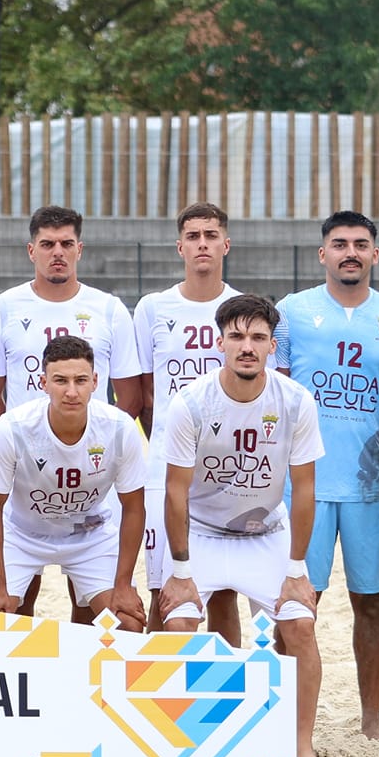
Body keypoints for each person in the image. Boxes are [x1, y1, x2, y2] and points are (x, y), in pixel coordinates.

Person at [157, 294, 326, 757]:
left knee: (300, 627)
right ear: (219, 342)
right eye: (237, 336)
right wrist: (182, 571)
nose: (246, 346)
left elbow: (305, 489)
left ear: (273, 346)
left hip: (265, 535)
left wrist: (296, 570)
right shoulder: (190, 402)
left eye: (257, 337)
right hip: (204, 534)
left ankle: (300, 746)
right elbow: (175, 492)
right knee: (179, 623)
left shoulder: (295, 401)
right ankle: (185, 739)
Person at [274, 211, 379, 741]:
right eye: (339, 244)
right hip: (303, 486)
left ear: (375, 254)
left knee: (372, 604)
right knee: (295, 603)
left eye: (361, 244)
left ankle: (371, 718)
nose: (350, 253)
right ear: (323, 254)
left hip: (373, 485)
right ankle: (289, 719)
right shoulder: (291, 313)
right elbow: (277, 394)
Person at [0, 204, 141, 613]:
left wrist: (89, 449)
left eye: (67, 244)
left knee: (93, 614)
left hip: (89, 481)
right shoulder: (3, 308)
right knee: (13, 610)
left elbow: (130, 396)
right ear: (30, 250)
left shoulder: (108, 309)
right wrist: (28, 450)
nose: (58, 252)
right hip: (25, 481)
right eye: (47, 244)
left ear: (79, 249)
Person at [0, 335, 148, 627]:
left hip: (89, 535)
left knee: (127, 623)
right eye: (60, 381)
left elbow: (133, 507)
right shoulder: (13, 428)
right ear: (43, 383)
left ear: (95, 381)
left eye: (80, 380)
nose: (71, 391)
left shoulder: (119, 428)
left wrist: (124, 584)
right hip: (22, 535)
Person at [133, 202, 241, 635]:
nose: (202, 243)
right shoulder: (153, 308)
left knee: (224, 595)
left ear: (225, 245)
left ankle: (224, 692)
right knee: (165, 591)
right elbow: (144, 395)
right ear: (179, 246)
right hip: (165, 465)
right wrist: (170, 443)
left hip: (227, 470)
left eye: (210, 235)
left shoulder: (241, 306)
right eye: (193, 236)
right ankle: (157, 694)